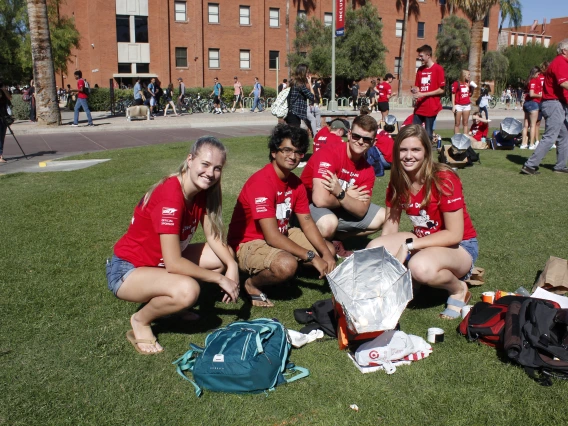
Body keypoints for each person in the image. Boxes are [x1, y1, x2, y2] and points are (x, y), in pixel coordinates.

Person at [106, 137, 239, 354]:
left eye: (217, 168)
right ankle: (141, 321)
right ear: (190, 160)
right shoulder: (171, 197)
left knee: (221, 256)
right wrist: (221, 279)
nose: (210, 173)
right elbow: (174, 264)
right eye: (205, 164)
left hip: (159, 264)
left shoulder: (201, 191)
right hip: (127, 270)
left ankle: (173, 309)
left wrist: (231, 264)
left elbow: (213, 237)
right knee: (188, 290)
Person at [367, 124, 478, 320]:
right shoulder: (397, 181)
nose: (409, 156)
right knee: (374, 248)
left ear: (427, 151)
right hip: (423, 239)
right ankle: (413, 282)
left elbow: (454, 234)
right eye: (403, 149)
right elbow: (390, 226)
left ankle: (458, 289)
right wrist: (387, 263)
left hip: (460, 247)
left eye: (416, 149)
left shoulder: (444, 178)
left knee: (420, 267)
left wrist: (408, 247)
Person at [227, 124, 336, 307]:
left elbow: (307, 223)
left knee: (329, 250)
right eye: (287, 150)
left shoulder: (296, 183)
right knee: (287, 265)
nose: (292, 157)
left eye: (298, 152)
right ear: (273, 152)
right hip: (249, 242)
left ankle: (287, 267)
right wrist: (311, 256)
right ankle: (251, 284)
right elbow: (271, 235)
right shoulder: (262, 182)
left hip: (282, 233)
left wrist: (326, 254)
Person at [300, 114, 386, 257]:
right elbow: (319, 200)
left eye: (366, 139)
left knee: (384, 216)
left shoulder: (368, 170)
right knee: (328, 223)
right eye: (357, 136)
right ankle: (301, 235)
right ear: (349, 134)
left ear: (373, 142)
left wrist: (341, 194)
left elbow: (361, 211)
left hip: (336, 204)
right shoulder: (329, 153)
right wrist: (347, 196)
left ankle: (336, 238)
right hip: (306, 206)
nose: (360, 142)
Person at [522, 39, 568, 175]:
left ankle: (560, 165)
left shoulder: (561, 62)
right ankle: (529, 165)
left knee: (564, 135)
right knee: (550, 136)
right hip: (554, 103)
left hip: (555, 103)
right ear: (564, 50)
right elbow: (564, 83)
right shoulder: (560, 62)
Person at [411, 45, 445, 140]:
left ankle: (427, 153)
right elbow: (418, 86)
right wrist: (415, 90)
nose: (419, 58)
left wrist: (423, 94)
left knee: (428, 134)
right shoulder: (420, 70)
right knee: (414, 132)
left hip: (431, 107)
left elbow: (441, 90)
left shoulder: (438, 69)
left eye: (421, 56)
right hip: (420, 106)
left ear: (428, 55)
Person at [284, 64, 315, 128]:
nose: (308, 74)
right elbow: (312, 96)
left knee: (292, 134)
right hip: (295, 113)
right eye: (307, 72)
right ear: (303, 72)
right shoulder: (300, 84)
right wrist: (309, 82)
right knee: (294, 135)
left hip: (291, 112)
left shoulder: (293, 82)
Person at [520, 67, 543, 150]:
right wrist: (541, 95)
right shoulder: (533, 81)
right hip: (533, 103)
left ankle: (523, 143)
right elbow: (532, 93)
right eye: (538, 73)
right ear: (535, 73)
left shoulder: (528, 81)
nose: (539, 75)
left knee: (525, 125)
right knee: (533, 125)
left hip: (526, 103)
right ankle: (531, 144)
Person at [451, 70, 472, 134]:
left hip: (467, 105)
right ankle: (456, 139)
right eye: (468, 74)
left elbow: (470, 94)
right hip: (458, 105)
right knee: (457, 123)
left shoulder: (469, 83)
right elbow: (453, 94)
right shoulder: (456, 83)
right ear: (464, 75)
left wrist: (472, 88)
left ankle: (465, 138)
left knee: (465, 123)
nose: (469, 76)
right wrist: (453, 106)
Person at [0, 81, 12, 163]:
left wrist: (4, 90)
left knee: (1, 136)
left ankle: (0, 155)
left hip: (3, 116)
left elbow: (9, 98)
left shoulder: (3, 93)